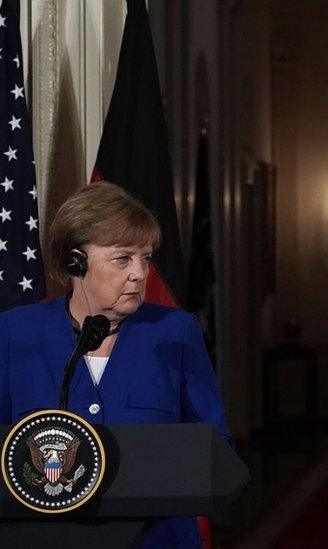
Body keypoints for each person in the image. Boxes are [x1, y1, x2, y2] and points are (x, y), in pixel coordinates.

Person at [0, 182, 230, 547]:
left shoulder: (175, 332)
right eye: (123, 258)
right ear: (76, 262)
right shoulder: (15, 333)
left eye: (146, 258)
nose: (140, 273)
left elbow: (216, 447)